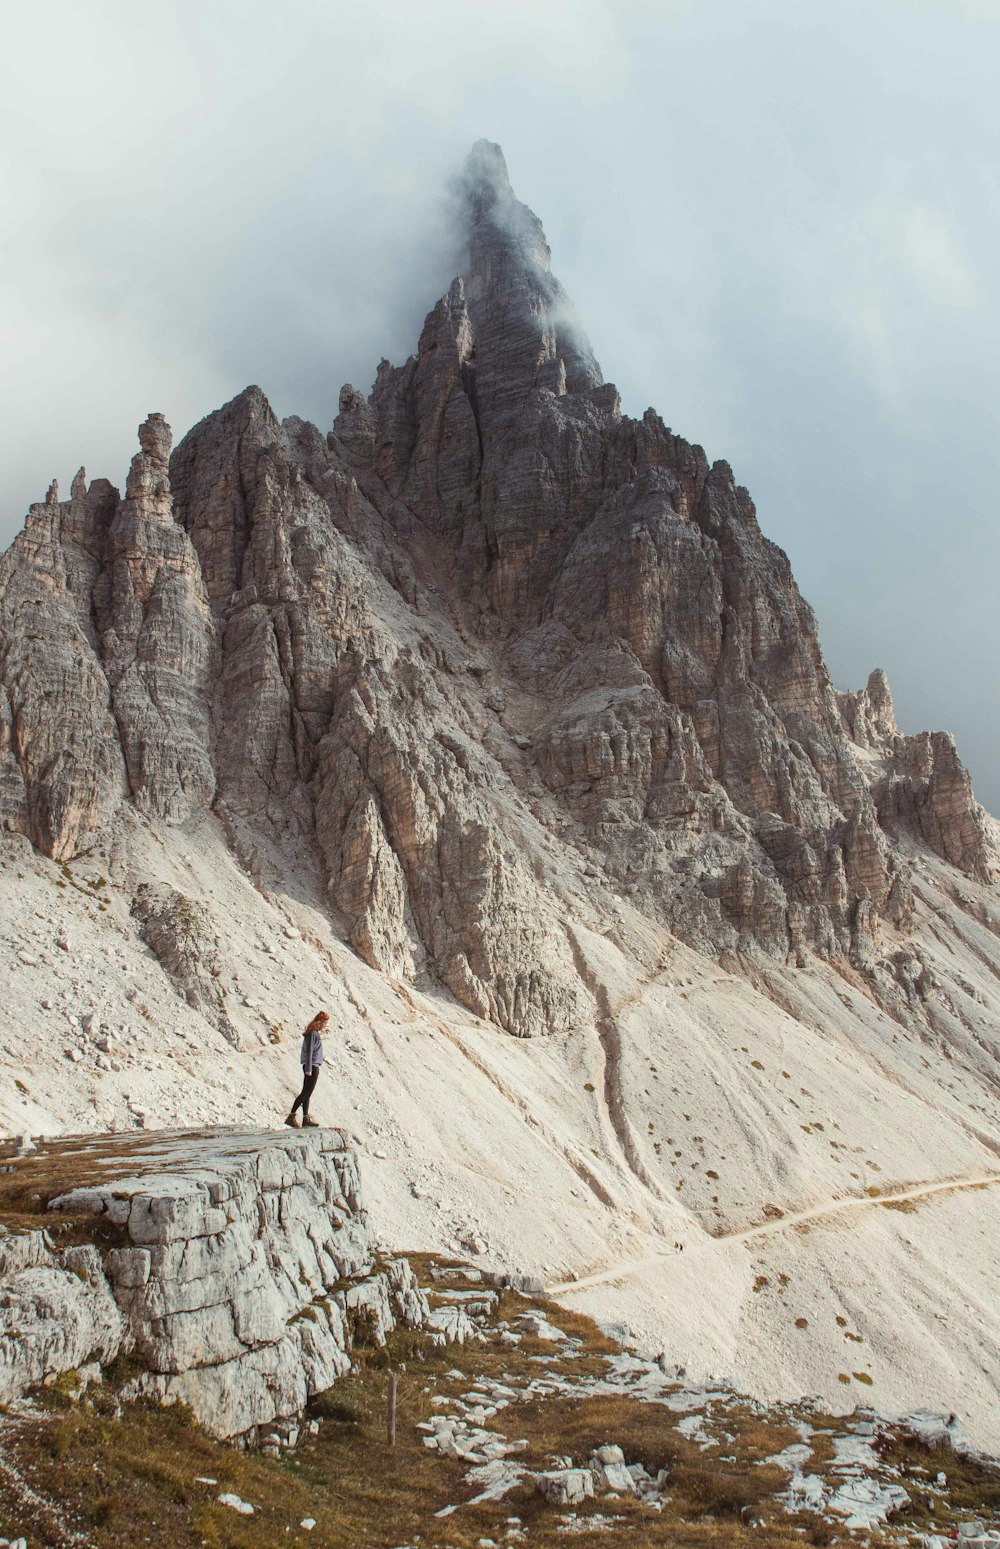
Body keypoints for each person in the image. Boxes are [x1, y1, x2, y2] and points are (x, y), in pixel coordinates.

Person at [285, 1010, 329, 1128]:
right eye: (324, 1023)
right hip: (312, 1066)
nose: (325, 1025)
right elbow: (310, 1051)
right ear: (319, 1022)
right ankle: (291, 1116)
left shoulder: (312, 1033)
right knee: (305, 1092)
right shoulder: (313, 1034)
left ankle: (305, 1118)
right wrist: (309, 1068)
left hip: (312, 1065)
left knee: (307, 1093)